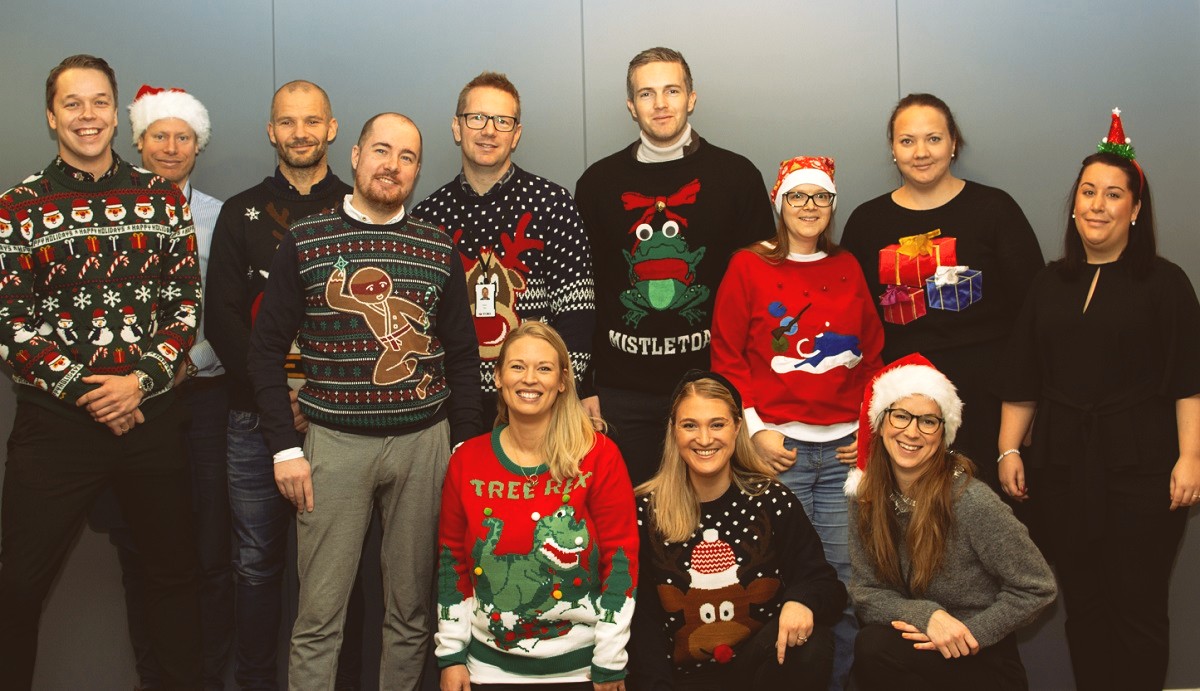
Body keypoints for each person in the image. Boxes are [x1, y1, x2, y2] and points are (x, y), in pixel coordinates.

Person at [248, 112, 484, 691]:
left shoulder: (436, 246)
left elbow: (461, 353)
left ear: (417, 170)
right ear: (354, 155)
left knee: (410, 614)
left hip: (423, 444)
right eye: (382, 151)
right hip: (333, 446)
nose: (393, 166)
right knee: (318, 618)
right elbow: (264, 351)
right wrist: (284, 448)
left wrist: (465, 446)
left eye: (407, 157)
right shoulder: (307, 241)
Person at [0, 54, 203, 689]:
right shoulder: (15, 209)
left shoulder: (162, 199)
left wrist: (138, 381)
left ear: (116, 113)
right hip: (56, 426)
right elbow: (13, 326)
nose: (87, 116)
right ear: (51, 116)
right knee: (17, 583)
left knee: (174, 579)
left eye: (98, 103)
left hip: (150, 419)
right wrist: (93, 393)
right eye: (72, 104)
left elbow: (185, 305)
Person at [997, 109, 1200, 691]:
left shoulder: (1166, 283)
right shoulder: (1049, 282)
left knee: (1136, 608)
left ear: (1136, 210)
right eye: (1088, 191)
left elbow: (1189, 380)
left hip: (1143, 469)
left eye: (1114, 194)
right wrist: (1009, 449)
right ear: (1073, 203)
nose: (1097, 204)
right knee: (1082, 605)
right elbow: (1023, 376)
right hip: (1060, 468)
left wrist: (1190, 458)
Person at [206, 79, 371, 689]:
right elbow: (222, 319)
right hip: (254, 421)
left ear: (332, 129)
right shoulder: (239, 212)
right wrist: (279, 398)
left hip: (341, 425)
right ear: (270, 131)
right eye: (286, 122)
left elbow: (371, 320)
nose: (300, 132)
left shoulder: (361, 210)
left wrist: (315, 398)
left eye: (312, 121)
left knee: (340, 568)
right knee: (255, 564)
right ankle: (254, 681)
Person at [711, 155, 883, 690]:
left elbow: (873, 356)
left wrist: (868, 431)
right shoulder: (748, 265)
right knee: (771, 589)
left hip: (841, 459)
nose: (809, 207)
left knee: (844, 592)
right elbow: (727, 355)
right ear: (779, 203)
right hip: (776, 451)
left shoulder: (848, 266)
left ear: (833, 205)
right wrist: (754, 429)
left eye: (821, 198)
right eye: (798, 197)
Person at [574, 47, 775, 485]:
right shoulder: (597, 184)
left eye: (671, 90)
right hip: (622, 394)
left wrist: (755, 394)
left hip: (712, 388)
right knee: (633, 521)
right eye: (647, 93)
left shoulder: (737, 177)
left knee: (712, 521)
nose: (660, 104)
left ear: (692, 98)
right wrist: (585, 387)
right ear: (631, 106)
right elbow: (585, 292)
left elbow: (764, 290)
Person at [90, 82, 231, 689]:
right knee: (137, 550)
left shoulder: (218, 217)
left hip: (195, 400)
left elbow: (230, 315)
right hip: (122, 409)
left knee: (205, 549)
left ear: (197, 147)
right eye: (159, 137)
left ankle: (206, 675)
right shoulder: (111, 208)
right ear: (138, 143)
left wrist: (180, 366)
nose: (171, 148)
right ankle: (157, 677)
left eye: (183, 138)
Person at [840, 93, 1044, 489]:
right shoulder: (867, 221)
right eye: (907, 140)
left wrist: (1028, 408)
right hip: (904, 410)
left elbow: (1034, 317)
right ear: (892, 149)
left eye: (933, 139)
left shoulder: (994, 210)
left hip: (988, 403)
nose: (921, 152)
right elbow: (854, 328)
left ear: (954, 144)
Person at [436, 321, 636, 690]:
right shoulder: (466, 461)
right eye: (517, 366)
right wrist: (451, 655)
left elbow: (621, 558)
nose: (529, 379)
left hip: (583, 671)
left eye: (543, 368)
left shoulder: (598, 456)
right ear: (497, 376)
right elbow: (452, 561)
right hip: (486, 671)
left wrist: (610, 660)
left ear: (562, 381)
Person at [848, 354, 1055, 690]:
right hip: (918, 650)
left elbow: (1037, 587)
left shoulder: (971, 501)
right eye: (901, 416)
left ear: (943, 433)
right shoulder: (865, 499)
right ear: (881, 423)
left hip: (982, 660)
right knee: (872, 647)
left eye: (928, 421)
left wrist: (970, 632)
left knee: (878, 648)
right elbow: (866, 592)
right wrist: (928, 617)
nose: (912, 432)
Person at [629, 371, 846, 690]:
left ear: (737, 428)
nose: (704, 439)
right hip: (683, 679)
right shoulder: (645, 510)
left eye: (717, 424)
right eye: (690, 425)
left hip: (757, 671)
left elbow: (825, 584)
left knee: (811, 642)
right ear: (674, 431)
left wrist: (801, 600)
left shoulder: (772, 500)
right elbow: (640, 618)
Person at [414, 71, 594, 415]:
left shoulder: (552, 203)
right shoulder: (427, 218)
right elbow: (424, 324)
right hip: (455, 404)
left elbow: (577, 314)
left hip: (537, 401)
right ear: (457, 127)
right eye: (477, 117)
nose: (489, 130)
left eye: (502, 120)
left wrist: (561, 394)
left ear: (516, 135)